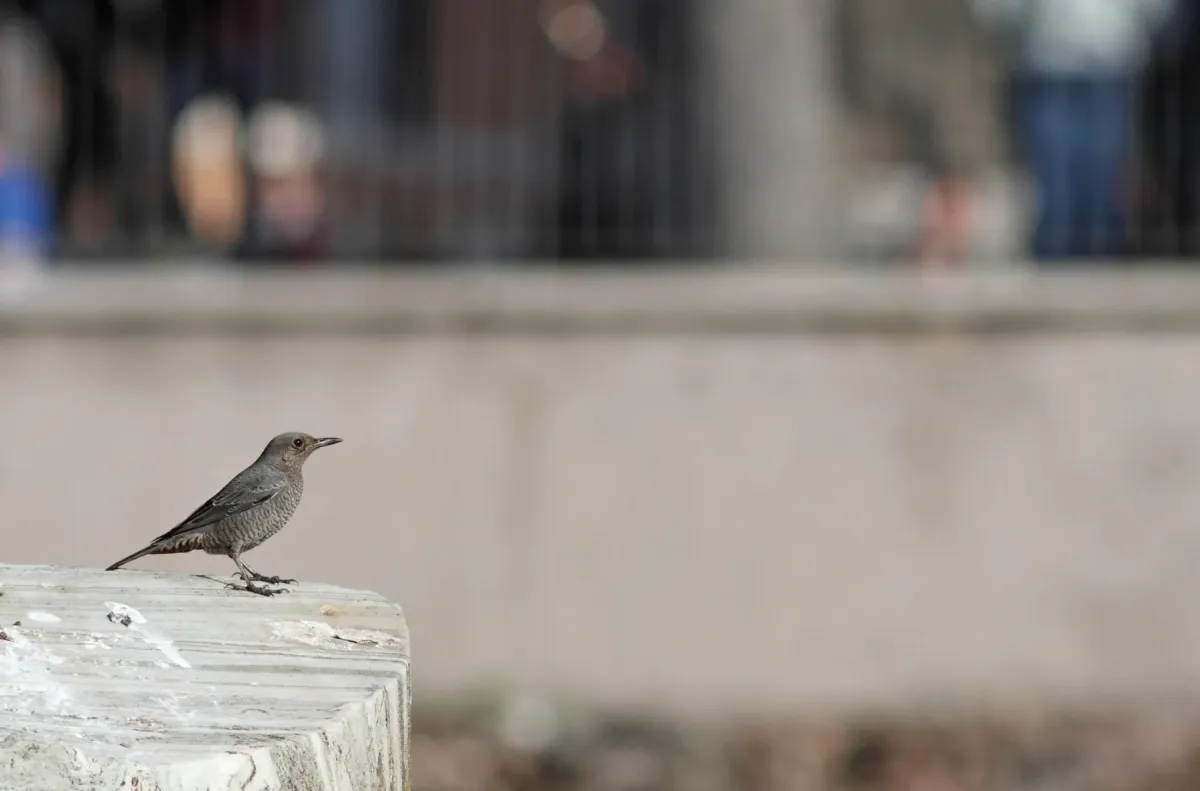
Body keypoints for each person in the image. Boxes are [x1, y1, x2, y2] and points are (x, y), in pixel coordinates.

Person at [974, 0, 1171, 261]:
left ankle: (1103, 286)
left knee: (1104, 197)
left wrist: (1131, 29)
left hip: (1111, 67)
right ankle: (1051, 288)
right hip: (1046, 69)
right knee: (1055, 198)